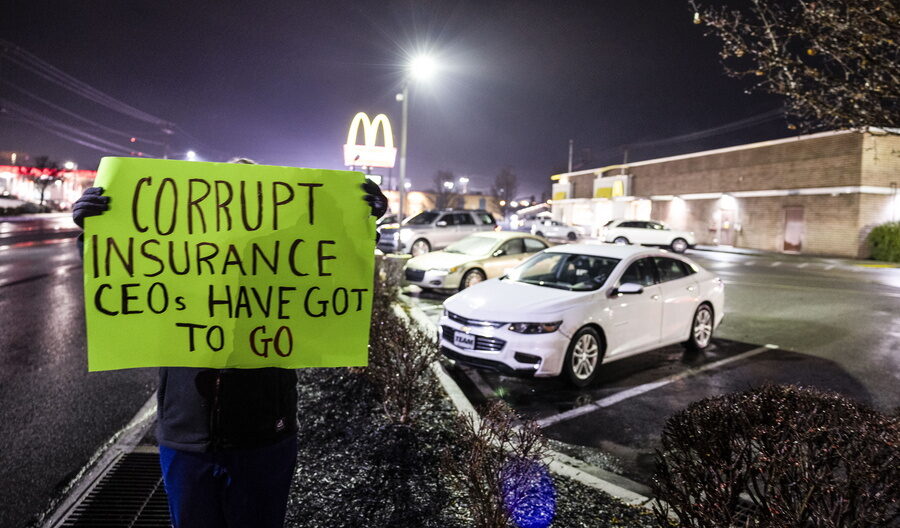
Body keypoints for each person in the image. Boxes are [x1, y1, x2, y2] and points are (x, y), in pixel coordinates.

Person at [73, 159, 387, 528]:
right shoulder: (183, 257)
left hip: (264, 439)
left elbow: (337, 263)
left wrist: (361, 220)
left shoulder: (281, 256)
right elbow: (126, 272)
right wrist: (97, 230)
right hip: (185, 437)